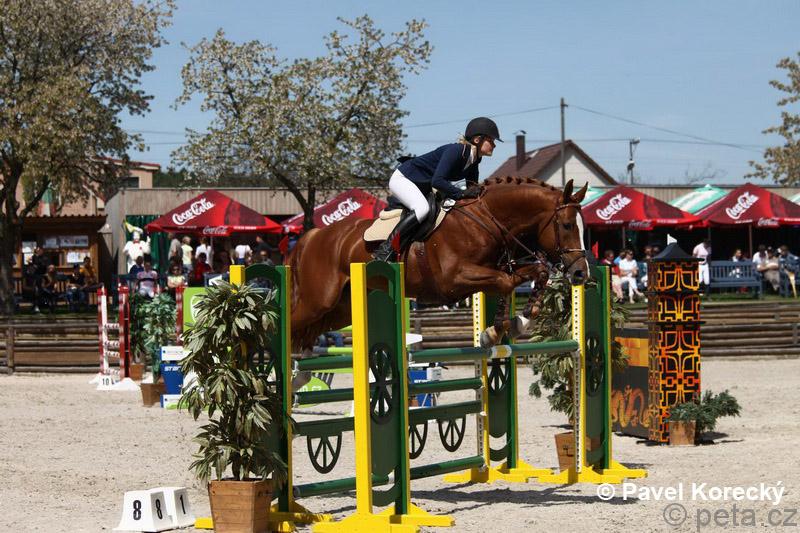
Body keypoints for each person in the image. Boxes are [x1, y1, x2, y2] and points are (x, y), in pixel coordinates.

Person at [374, 117, 502, 261]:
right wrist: (460, 193)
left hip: (422, 185)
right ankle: (386, 249)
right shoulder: (456, 151)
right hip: (404, 179)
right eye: (491, 140)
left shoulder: (474, 159)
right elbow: (438, 181)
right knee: (422, 209)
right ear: (477, 140)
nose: (494, 145)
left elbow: (472, 187)